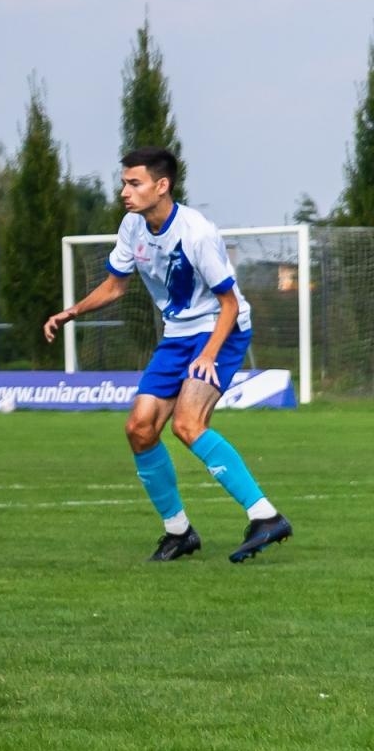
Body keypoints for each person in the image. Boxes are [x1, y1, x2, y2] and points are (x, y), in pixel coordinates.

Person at [44, 146, 292, 563]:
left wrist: (210, 355)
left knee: (188, 424)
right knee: (139, 427)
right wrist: (72, 311)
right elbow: (116, 285)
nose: (125, 191)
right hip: (178, 335)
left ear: (162, 186)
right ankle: (179, 532)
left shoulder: (197, 233)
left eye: (134, 183)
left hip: (220, 331)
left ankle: (265, 517)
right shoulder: (132, 227)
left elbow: (229, 304)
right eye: (123, 182)